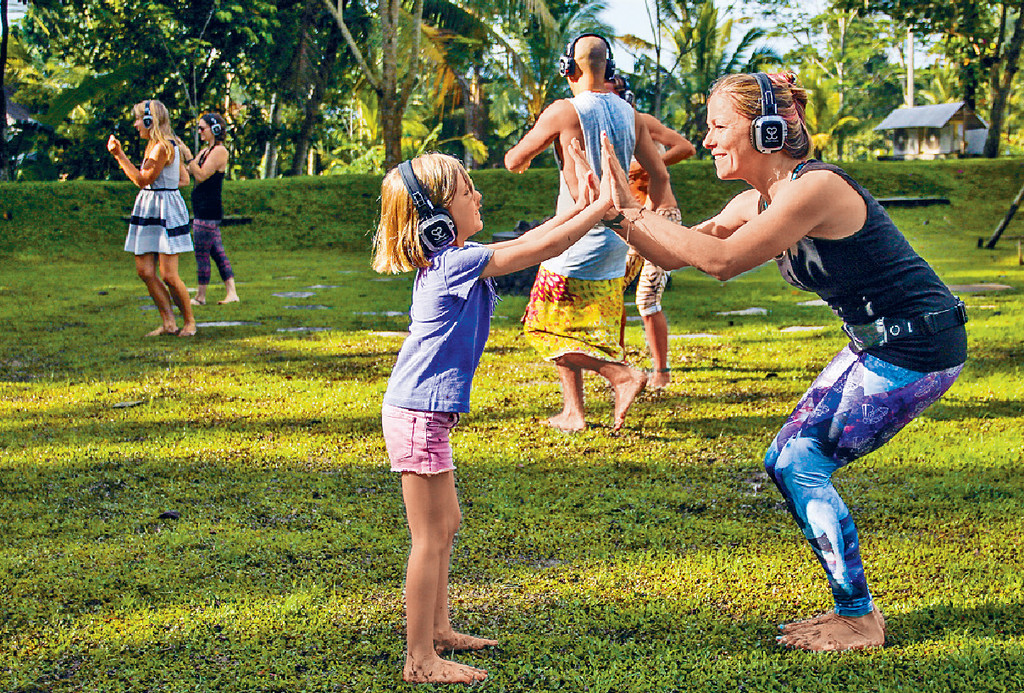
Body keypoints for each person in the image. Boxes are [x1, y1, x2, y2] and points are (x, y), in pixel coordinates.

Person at [597, 72, 967, 651]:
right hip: (880, 343)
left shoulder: (815, 189)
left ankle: (859, 619)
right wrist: (622, 215)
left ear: (767, 129)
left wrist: (628, 212)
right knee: (784, 459)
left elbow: (719, 261)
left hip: (918, 345)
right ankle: (854, 611)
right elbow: (679, 251)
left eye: (720, 126)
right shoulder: (756, 199)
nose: (709, 138)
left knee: (800, 461)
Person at [374, 141, 611, 684]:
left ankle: (439, 631)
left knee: (447, 524)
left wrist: (580, 206)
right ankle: (419, 659)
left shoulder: (455, 259)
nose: (478, 196)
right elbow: (533, 253)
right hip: (417, 414)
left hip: (424, 413)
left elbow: (530, 239)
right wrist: (599, 211)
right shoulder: (454, 262)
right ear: (436, 219)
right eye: (465, 191)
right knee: (428, 538)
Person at [504, 33, 675, 432]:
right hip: (619, 241)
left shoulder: (563, 110)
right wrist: (650, 227)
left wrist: (542, 146)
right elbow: (660, 174)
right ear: (607, 69)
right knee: (574, 328)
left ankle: (620, 375)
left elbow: (514, 159)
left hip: (574, 237)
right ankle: (574, 413)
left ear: (570, 69)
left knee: (541, 326)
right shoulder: (630, 114)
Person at [610, 74, 696, 390]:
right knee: (611, 290)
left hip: (662, 217)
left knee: (646, 297)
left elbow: (685, 147)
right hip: (631, 222)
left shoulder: (640, 120)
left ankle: (662, 372)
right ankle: (618, 366)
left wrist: (646, 165)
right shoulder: (601, 125)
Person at [108, 99, 197, 337]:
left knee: (169, 274)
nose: (136, 124)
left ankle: (189, 321)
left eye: (139, 119)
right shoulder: (157, 145)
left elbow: (141, 179)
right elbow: (183, 179)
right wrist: (164, 187)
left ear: (150, 121)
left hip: (163, 209)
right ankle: (168, 322)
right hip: (150, 206)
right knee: (145, 271)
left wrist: (119, 155)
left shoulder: (162, 147)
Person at [183, 112, 239, 306]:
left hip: (208, 210)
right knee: (217, 252)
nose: (199, 132)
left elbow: (201, 175)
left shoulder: (219, 151)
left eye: (202, 128)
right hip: (203, 208)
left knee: (202, 253)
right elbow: (190, 169)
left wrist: (189, 156)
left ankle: (200, 296)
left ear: (215, 129)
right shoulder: (207, 150)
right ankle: (232, 292)